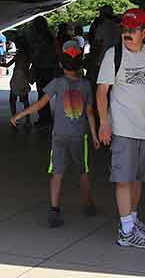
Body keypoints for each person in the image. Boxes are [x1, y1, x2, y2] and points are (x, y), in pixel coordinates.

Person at [96, 8, 145, 249]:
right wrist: (104, 123)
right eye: (125, 29)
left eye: (133, 30)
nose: (127, 34)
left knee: (138, 178)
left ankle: (132, 219)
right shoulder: (113, 55)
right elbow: (101, 91)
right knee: (123, 179)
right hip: (123, 127)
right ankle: (126, 230)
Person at [10, 40, 99, 227]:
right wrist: (95, 135)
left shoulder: (57, 83)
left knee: (57, 173)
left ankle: (54, 209)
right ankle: (88, 204)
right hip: (79, 136)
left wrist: (20, 114)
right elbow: (90, 113)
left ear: (60, 64)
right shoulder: (86, 85)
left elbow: (40, 104)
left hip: (59, 135)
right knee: (83, 171)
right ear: (81, 63)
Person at [29, 18, 58, 128]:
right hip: (50, 68)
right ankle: (46, 117)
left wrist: (32, 65)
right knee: (47, 93)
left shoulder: (39, 38)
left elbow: (36, 53)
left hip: (41, 68)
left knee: (41, 93)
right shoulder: (51, 36)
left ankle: (43, 118)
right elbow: (56, 52)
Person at [8, 34, 33, 124]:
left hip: (16, 77)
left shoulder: (18, 56)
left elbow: (7, 64)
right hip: (23, 78)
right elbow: (27, 68)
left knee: (12, 100)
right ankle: (27, 119)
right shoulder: (28, 56)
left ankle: (14, 117)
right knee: (25, 100)